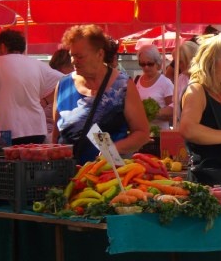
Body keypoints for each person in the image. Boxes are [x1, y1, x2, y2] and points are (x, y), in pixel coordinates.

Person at [53, 24, 149, 164]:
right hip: (68, 174)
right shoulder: (63, 85)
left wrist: (113, 150)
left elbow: (142, 133)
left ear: (99, 54)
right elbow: (56, 135)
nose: (74, 61)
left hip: (106, 175)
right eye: (72, 55)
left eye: (80, 56)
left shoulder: (122, 85)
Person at [179, 33, 221, 179]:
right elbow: (187, 128)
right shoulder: (197, 90)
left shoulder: (220, 95)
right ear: (210, 60)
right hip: (205, 180)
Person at [0, 30, 63, 145]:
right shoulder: (36, 64)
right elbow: (65, 81)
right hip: (38, 129)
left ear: (3, 47)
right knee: (34, 162)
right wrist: (46, 100)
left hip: (11, 131)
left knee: (13, 162)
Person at [135, 44, 174, 130]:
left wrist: (153, 113)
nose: (146, 67)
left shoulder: (165, 83)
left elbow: (173, 111)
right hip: (142, 132)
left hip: (159, 134)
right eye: (142, 64)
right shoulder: (137, 80)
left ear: (157, 63)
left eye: (150, 64)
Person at [43, 48, 74, 142]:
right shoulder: (65, 82)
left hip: (43, 135)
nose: (74, 69)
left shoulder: (45, 79)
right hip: (54, 137)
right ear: (63, 67)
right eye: (72, 66)